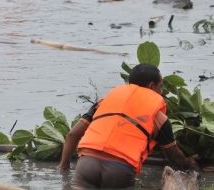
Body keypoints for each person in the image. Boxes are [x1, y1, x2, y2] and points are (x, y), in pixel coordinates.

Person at [58, 64, 199, 189]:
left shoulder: (104, 102)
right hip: (119, 170)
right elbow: (174, 157)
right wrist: (189, 163)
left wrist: (64, 166)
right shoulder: (158, 117)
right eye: (160, 86)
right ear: (151, 86)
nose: (161, 91)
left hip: (87, 165)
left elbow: (73, 134)